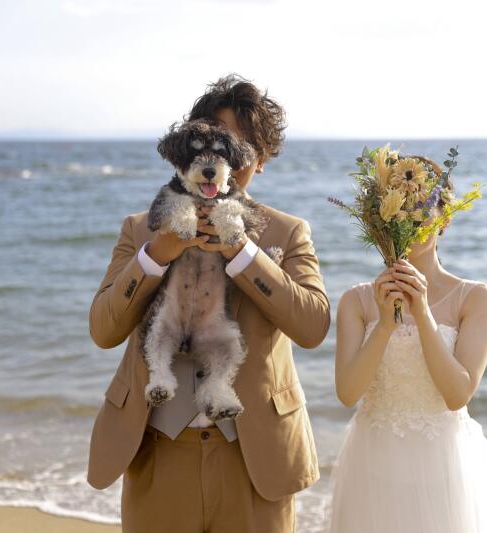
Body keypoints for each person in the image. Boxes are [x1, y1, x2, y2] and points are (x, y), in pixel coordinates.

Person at [86, 73, 330, 533]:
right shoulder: (140, 229)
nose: (226, 159)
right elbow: (102, 330)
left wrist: (243, 253)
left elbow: (314, 326)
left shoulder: (287, 232)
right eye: (216, 141)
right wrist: (157, 254)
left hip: (254, 459)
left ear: (264, 159)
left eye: (243, 147)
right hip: (156, 450)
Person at [326, 155, 487, 532]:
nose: (412, 224)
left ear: (444, 218)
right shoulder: (358, 301)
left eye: (422, 213)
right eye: (401, 213)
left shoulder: (475, 298)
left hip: (444, 466)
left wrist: (423, 314)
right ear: (381, 221)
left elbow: (457, 394)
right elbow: (348, 393)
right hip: (373, 465)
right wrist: (384, 325)